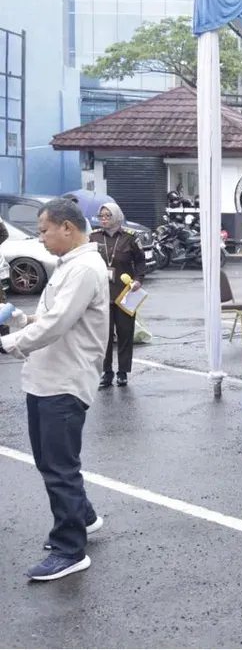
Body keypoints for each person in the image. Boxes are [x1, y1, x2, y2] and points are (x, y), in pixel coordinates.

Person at [1, 199, 109, 580]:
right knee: (50, 461)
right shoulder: (70, 265)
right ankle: (84, 517)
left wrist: (10, 344)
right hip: (46, 378)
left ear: (67, 228)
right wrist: (22, 319)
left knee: (61, 467)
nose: (40, 237)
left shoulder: (84, 269)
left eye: (44, 229)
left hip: (63, 382)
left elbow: (58, 323)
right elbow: (50, 318)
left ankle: (70, 548)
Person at [90, 202, 146, 388]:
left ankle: (123, 372)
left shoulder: (130, 237)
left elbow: (140, 262)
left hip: (125, 293)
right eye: (102, 216)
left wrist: (138, 279)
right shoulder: (94, 237)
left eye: (108, 216)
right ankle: (107, 372)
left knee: (125, 332)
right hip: (101, 293)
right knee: (103, 335)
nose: (104, 219)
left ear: (117, 216)